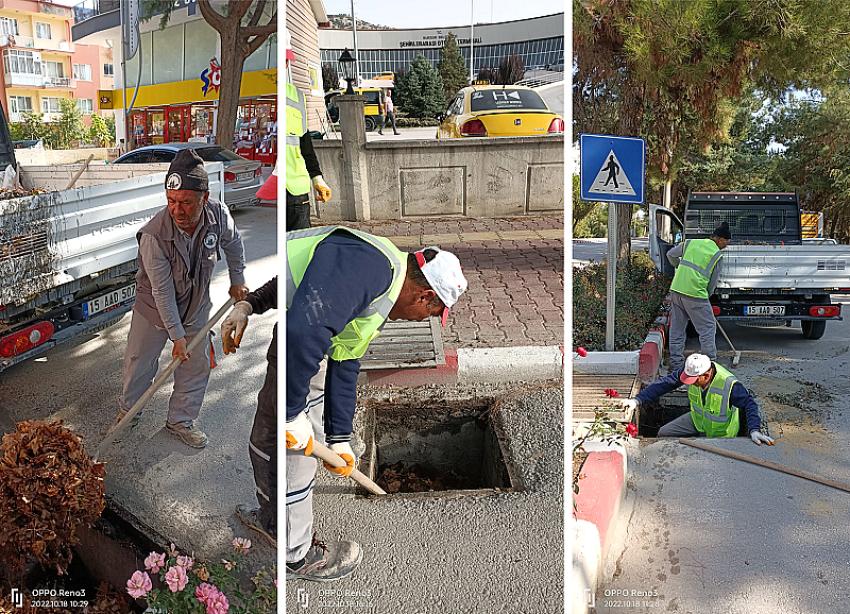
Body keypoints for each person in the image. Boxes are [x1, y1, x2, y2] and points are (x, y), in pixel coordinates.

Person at [285, 226, 468, 582]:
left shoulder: (380, 290)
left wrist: (339, 437)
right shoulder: (369, 267)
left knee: (315, 419)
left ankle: (311, 454)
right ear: (424, 297)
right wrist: (292, 412)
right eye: (431, 315)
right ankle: (296, 556)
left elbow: (346, 360)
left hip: (297, 331)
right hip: (291, 333)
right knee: (296, 457)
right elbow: (302, 334)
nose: (424, 321)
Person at [117, 148, 248, 449]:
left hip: (196, 307)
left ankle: (180, 420)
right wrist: (176, 337)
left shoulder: (217, 215)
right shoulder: (154, 235)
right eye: (171, 202)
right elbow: (162, 291)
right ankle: (127, 414)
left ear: (204, 198)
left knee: (195, 366)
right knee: (139, 365)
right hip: (153, 310)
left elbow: (234, 243)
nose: (177, 210)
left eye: (186, 203)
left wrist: (237, 279)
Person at [220, 170, 278, 545]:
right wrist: (247, 304)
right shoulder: (307, 247)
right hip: (301, 359)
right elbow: (284, 281)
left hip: (299, 360)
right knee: (282, 442)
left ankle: (273, 524)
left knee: (265, 439)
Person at [619, 353, 774, 445]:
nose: (688, 383)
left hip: (722, 435)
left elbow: (750, 404)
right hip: (697, 421)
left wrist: (754, 430)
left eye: (693, 381)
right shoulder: (692, 372)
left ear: (706, 375)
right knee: (664, 433)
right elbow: (665, 384)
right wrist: (637, 400)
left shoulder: (730, 385)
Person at [666, 222, 731, 372]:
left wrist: (678, 266)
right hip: (696, 294)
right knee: (707, 328)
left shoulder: (691, 243)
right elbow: (713, 282)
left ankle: (676, 364)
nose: (726, 246)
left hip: (676, 290)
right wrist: (706, 295)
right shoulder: (716, 255)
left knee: (677, 329)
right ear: (720, 239)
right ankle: (709, 364)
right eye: (726, 242)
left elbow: (670, 254)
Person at [285, 30, 331, 230]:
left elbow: (305, 146)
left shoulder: (298, 98)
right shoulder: (293, 97)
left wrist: (318, 179)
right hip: (284, 192)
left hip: (296, 193)